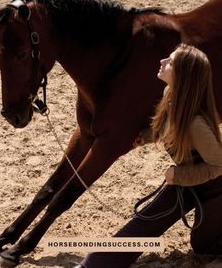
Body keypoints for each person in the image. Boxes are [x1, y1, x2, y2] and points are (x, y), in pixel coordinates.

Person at [74, 44, 222, 268]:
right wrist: (146, 136)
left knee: (202, 245)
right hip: (187, 181)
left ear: (183, 75)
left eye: (170, 61)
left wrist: (179, 175)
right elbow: (167, 128)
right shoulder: (170, 95)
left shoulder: (195, 124)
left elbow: (218, 166)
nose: (162, 61)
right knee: (145, 221)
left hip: (216, 189)